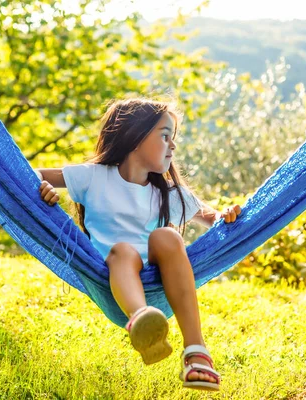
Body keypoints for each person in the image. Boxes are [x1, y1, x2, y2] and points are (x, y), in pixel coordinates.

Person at [33, 98, 241, 392]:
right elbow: (31, 175)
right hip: (113, 278)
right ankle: (141, 320)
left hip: (158, 279)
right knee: (123, 251)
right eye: (165, 135)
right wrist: (45, 188)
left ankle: (196, 352)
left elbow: (214, 218)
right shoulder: (93, 177)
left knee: (167, 236)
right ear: (135, 136)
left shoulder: (170, 193)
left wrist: (227, 215)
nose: (173, 146)